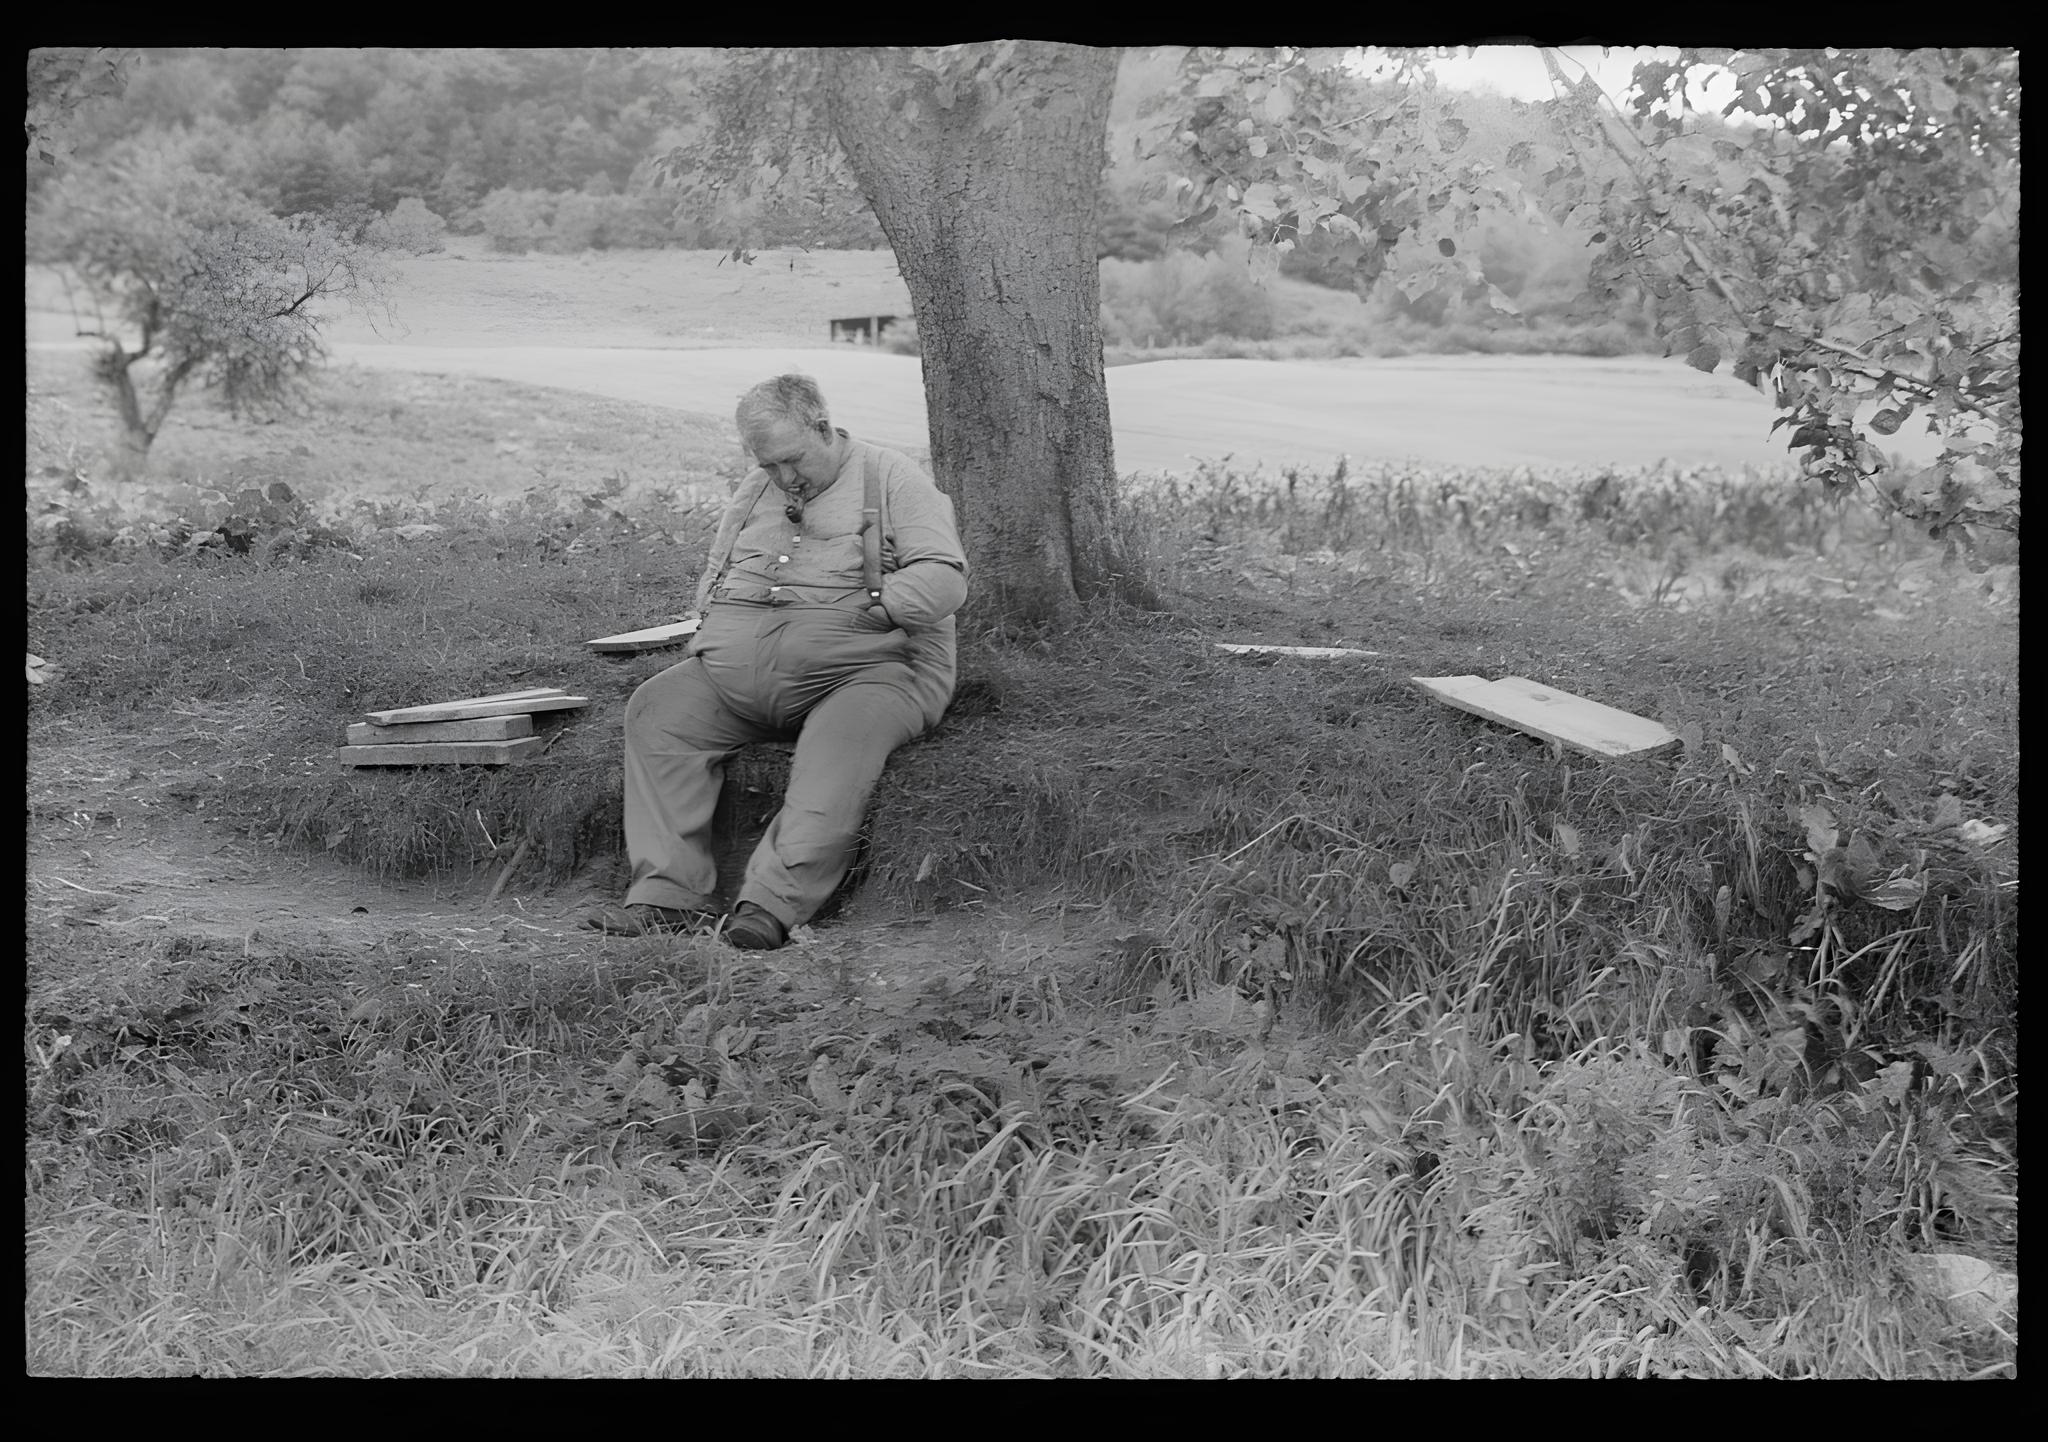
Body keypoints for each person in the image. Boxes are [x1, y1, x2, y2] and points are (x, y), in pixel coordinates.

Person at [583, 374, 968, 949]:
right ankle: (668, 897)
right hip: (739, 679)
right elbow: (716, 577)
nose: (784, 478)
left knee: (838, 743)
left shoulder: (891, 476)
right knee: (658, 710)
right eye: (768, 466)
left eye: (791, 460)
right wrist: (720, 635)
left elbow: (944, 574)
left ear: (822, 427)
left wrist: (884, 608)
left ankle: (769, 905)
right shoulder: (756, 491)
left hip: (873, 670)